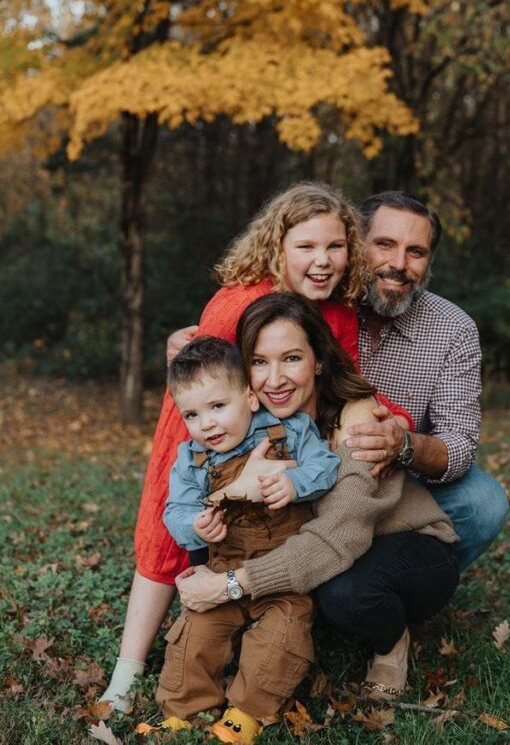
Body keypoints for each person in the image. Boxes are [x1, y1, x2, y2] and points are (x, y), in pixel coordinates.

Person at [101, 182, 409, 710]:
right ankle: (128, 674)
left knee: (270, 533)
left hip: (287, 456)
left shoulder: (336, 310)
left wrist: (385, 422)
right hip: (213, 442)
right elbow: (199, 394)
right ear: (277, 248)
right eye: (306, 247)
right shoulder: (239, 304)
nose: (322, 260)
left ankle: (275, 629)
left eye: (335, 247)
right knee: (170, 529)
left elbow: (347, 383)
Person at [175, 293, 460, 710]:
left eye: (291, 358)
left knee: (345, 594)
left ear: (319, 361)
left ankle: (391, 641)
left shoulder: (357, 422)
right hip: (329, 547)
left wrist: (228, 585)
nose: (274, 379)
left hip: (405, 546)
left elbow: (333, 540)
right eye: (258, 362)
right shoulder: (244, 422)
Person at [156, 336, 340, 740]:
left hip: (283, 576)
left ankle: (246, 712)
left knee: (281, 636)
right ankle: (185, 706)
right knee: (196, 633)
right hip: (224, 566)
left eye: (217, 407)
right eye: (192, 414)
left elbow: (326, 467)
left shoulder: (287, 431)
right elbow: (176, 511)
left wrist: (293, 483)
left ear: (250, 398)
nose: (206, 424)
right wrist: (195, 526)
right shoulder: (192, 458)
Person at [342, 192, 509, 571]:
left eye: (415, 252)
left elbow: (460, 444)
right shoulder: (321, 301)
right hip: (315, 478)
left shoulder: (454, 328)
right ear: (356, 244)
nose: (398, 264)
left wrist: (402, 446)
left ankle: (408, 582)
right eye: (384, 245)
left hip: (402, 485)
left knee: (483, 502)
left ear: (429, 261)